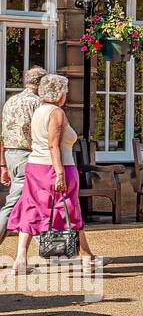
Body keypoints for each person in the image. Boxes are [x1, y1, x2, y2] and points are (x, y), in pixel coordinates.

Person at [7, 74, 99, 276]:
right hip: (57, 166)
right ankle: (85, 257)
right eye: (65, 91)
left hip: (35, 166)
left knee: (31, 208)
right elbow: (53, 144)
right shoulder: (56, 112)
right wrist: (59, 173)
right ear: (60, 94)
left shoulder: (39, 111)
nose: (66, 94)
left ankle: (20, 259)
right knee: (69, 208)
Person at [0, 66, 46, 248]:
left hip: (11, 155)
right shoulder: (38, 103)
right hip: (28, 155)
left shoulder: (11, 101)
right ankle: (50, 249)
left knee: (32, 202)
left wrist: (2, 165)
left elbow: (2, 135)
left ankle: (48, 248)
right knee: (12, 204)